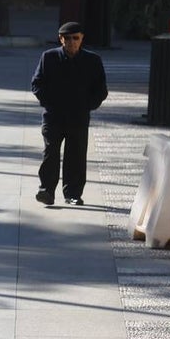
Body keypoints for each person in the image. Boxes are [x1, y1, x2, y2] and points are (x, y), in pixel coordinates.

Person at [31, 21, 108, 206]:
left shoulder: (92, 60)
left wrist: (87, 105)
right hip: (53, 116)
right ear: (60, 39)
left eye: (75, 38)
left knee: (76, 155)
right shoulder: (48, 57)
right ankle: (46, 190)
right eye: (67, 38)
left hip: (79, 117)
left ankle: (73, 193)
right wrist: (49, 103)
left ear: (82, 39)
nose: (71, 42)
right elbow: (37, 84)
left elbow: (101, 90)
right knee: (50, 152)